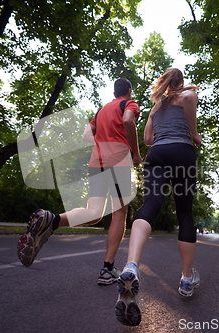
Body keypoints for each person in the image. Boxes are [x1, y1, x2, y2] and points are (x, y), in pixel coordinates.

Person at [16, 78, 142, 285]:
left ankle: (53, 220)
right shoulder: (129, 103)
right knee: (119, 212)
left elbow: (86, 136)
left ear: (114, 91)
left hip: (97, 162)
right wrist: (135, 154)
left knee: (94, 214)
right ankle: (107, 269)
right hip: (118, 160)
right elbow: (129, 121)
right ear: (128, 91)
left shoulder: (101, 111)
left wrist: (102, 143)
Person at [114, 68, 202, 326]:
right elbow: (187, 101)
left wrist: (161, 124)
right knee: (184, 212)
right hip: (182, 153)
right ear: (181, 82)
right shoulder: (187, 94)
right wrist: (193, 133)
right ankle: (187, 278)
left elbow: (148, 138)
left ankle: (131, 265)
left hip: (157, 155)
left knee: (151, 204)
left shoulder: (156, 106)